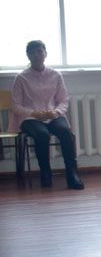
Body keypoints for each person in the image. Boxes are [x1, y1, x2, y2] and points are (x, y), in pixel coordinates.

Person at [11, 40, 84, 190]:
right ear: (28, 56)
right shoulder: (21, 77)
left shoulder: (56, 75)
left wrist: (56, 112)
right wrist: (34, 113)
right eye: (32, 52)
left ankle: (72, 174)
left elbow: (63, 100)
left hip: (53, 115)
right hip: (30, 117)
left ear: (45, 54)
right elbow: (16, 105)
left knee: (65, 132)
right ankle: (45, 172)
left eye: (39, 51)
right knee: (42, 134)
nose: (36, 55)